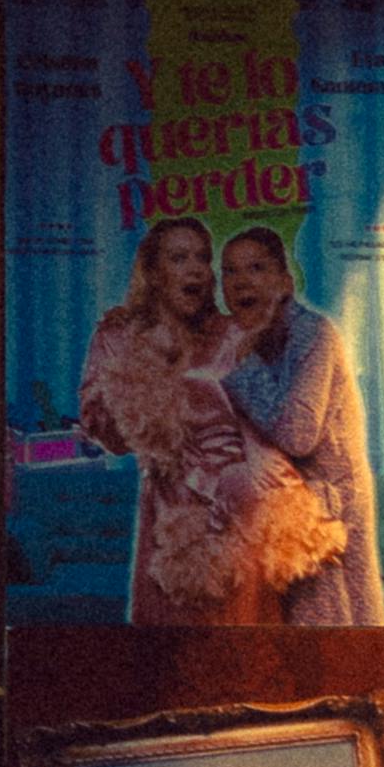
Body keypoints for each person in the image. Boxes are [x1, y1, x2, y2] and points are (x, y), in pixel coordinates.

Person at [76, 217, 345, 626]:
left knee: (249, 642)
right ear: (154, 272)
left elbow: (275, 412)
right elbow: (109, 434)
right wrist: (135, 365)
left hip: (243, 510)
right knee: (170, 648)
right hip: (172, 519)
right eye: (179, 258)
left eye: (202, 258)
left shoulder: (232, 333)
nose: (196, 270)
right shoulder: (119, 338)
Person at [217, 226, 384, 628]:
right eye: (230, 271)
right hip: (277, 514)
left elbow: (298, 434)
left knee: (329, 637)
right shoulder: (248, 338)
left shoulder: (314, 334)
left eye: (256, 268)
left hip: (325, 513)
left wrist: (245, 367)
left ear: (285, 282)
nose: (241, 281)